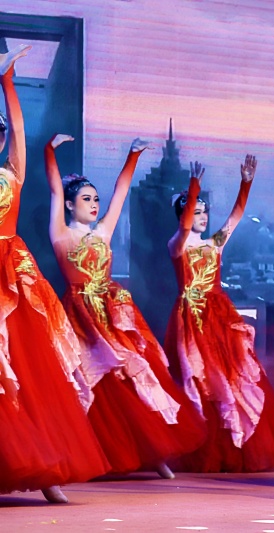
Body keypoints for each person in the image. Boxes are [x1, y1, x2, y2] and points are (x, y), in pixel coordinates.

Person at [45, 133, 205, 479]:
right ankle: (94, 455)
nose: (94, 204)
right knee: (91, 380)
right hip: (80, 317)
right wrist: (49, 151)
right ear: (70, 205)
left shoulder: (103, 232)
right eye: (86, 199)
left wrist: (133, 155)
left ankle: (153, 450)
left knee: (132, 374)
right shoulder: (61, 233)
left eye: (95, 199)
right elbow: (56, 188)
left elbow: (121, 191)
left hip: (113, 313)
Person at [0, 44, 109, 504]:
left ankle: (46, 470)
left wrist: (7, 81)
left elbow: (19, 129)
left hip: (12, 274)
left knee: (30, 365)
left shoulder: (11, 174)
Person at [165, 157, 274, 472]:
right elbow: (184, 228)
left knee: (231, 377)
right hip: (192, 318)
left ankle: (234, 442)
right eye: (196, 211)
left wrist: (245, 183)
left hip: (220, 316)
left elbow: (237, 215)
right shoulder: (177, 244)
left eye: (204, 212)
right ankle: (202, 444)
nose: (202, 217)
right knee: (200, 379)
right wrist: (194, 187)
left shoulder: (214, 244)